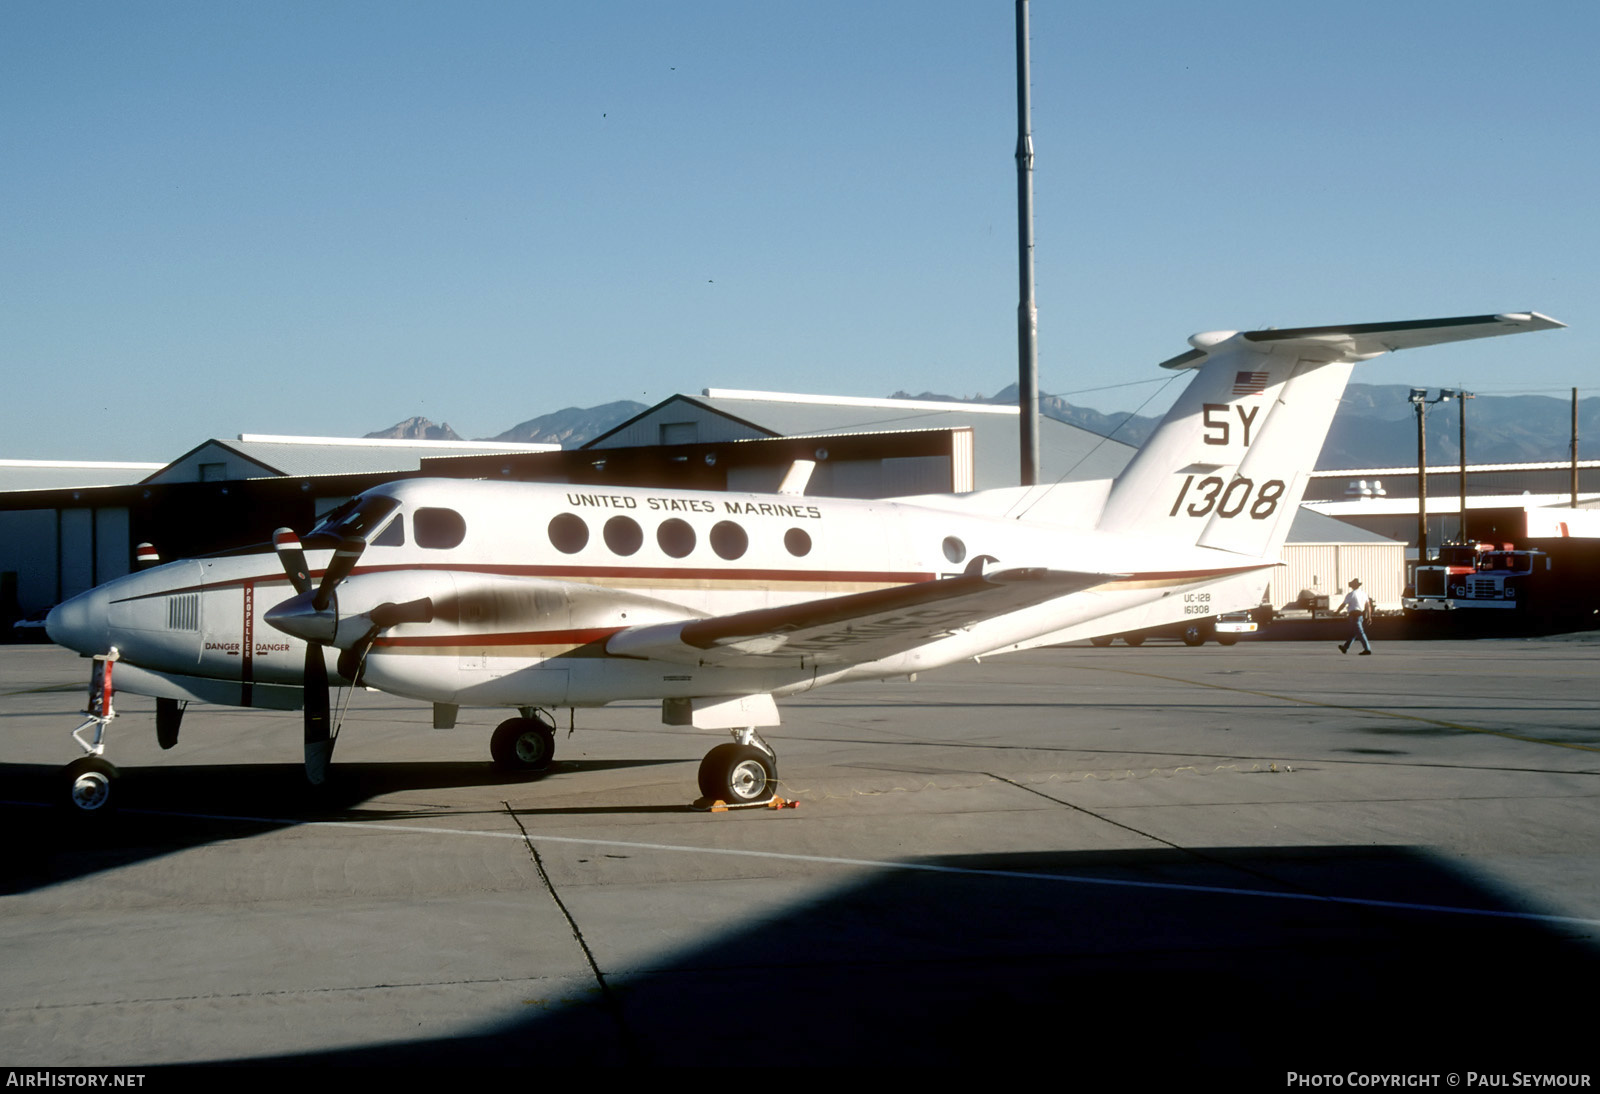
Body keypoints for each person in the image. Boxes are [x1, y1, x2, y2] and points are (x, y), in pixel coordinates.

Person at [1337, 578, 1371, 655]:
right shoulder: (1364, 594)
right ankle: (1345, 647)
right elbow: (1368, 606)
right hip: (1360, 615)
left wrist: (1337, 612)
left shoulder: (1351, 594)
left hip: (1354, 615)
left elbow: (1343, 604)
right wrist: (1369, 617)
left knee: (1360, 632)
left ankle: (1367, 649)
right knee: (1354, 632)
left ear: (1352, 586)